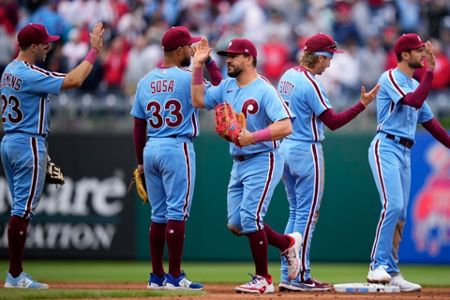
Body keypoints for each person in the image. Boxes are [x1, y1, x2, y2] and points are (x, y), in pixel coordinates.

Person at [191, 38, 303, 294]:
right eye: (226, 55)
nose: (228, 59)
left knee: (251, 218)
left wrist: (253, 136)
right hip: (239, 162)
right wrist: (198, 66)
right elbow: (198, 99)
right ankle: (287, 243)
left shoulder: (264, 89)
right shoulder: (227, 86)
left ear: (249, 59)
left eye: (234, 55)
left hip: (264, 158)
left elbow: (286, 125)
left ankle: (264, 279)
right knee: (236, 223)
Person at [1, 22, 104, 289]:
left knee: (18, 209)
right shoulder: (28, 73)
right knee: (22, 210)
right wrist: (93, 51)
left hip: (10, 140)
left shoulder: (9, 70)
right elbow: (75, 79)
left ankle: (15, 273)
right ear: (33, 46)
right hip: (28, 142)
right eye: (45, 42)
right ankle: (15, 275)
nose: (49, 45)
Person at [276, 33, 380, 292]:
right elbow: (332, 122)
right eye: (329, 58)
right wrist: (362, 105)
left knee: (295, 212)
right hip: (305, 149)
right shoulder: (311, 83)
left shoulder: (288, 75)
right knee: (308, 216)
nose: (330, 64)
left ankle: (288, 274)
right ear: (319, 57)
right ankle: (301, 276)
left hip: (284, 148)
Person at [130, 26, 222, 291]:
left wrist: (139, 161)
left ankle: (156, 277)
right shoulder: (186, 78)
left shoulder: (145, 80)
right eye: (189, 47)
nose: (192, 50)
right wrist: (207, 62)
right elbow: (218, 89)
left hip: (151, 149)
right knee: (176, 213)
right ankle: (175, 276)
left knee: (158, 215)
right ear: (180, 50)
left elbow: (138, 125)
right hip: (177, 147)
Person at [366, 33, 450, 292]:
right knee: (393, 205)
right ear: (404, 54)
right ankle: (376, 265)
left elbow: (430, 122)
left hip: (404, 151)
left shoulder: (415, 84)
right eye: (418, 50)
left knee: (401, 213)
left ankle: (391, 271)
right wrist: (431, 72)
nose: (423, 54)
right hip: (386, 146)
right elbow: (412, 102)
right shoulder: (390, 77)